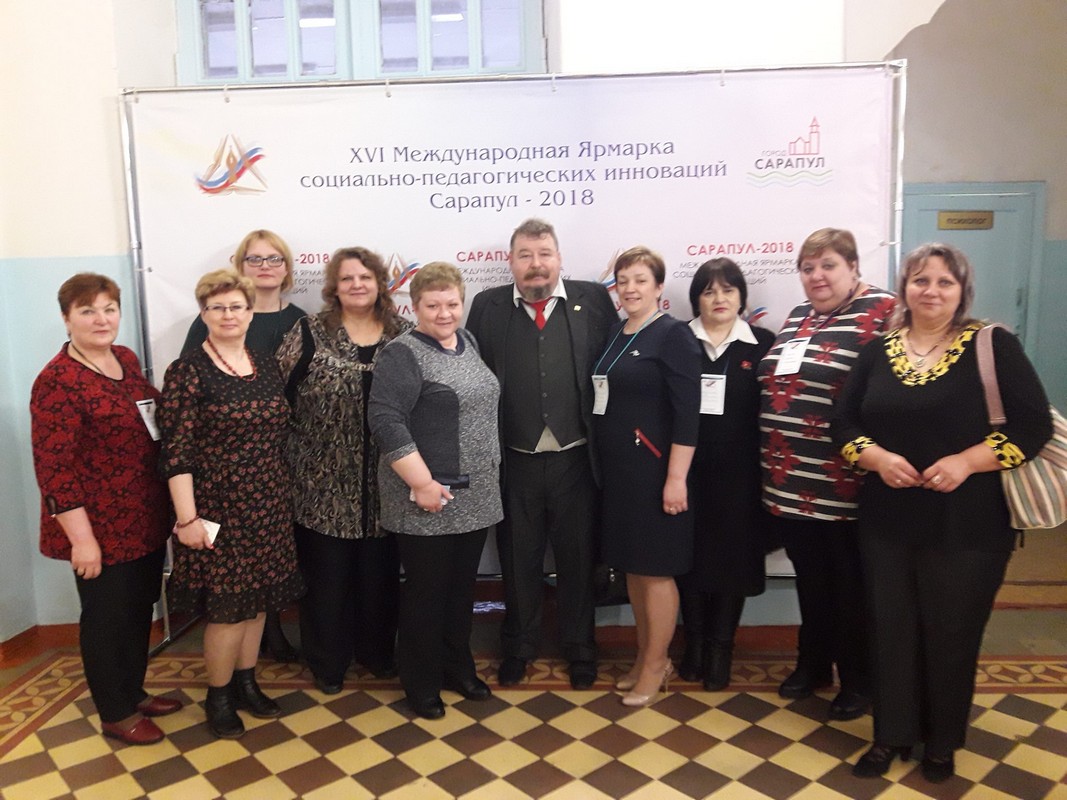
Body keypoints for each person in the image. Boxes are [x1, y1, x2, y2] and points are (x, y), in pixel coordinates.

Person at [832, 243, 1052, 782]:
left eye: (944, 282)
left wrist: (967, 462)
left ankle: (941, 741)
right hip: (887, 519)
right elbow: (843, 426)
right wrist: (876, 458)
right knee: (890, 629)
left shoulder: (992, 345)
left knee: (951, 632)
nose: (931, 291)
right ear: (904, 287)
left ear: (962, 291)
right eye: (920, 280)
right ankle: (890, 735)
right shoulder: (877, 352)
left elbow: (1033, 428)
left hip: (969, 524)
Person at [466, 218, 617, 690]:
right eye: (526, 255)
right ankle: (519, 646)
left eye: (544, 253)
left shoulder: (593, 300)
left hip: (577, 460)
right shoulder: (487, 306)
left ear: (559, 258)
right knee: (518, 561)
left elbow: (614, 369)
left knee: (578, 560)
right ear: (510, 261)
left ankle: (580, 649)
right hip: (514, 461)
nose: (536, 264)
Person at [30, 273, 180, 746]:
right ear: (66, 319)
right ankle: (115, 711)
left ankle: (133, 692)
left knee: (138, 611)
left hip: (143, 517)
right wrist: (82, 540)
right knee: (106, 619)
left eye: (109, 309)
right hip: (98, 528)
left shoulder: (125, 359)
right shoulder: (57, 382)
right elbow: (54, 470)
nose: (101, 319)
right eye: (87, 311)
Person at [757, 227, 895, 721]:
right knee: (811, 581)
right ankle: (812, 664)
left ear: (854, 267)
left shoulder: (885, 312)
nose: (817, 276)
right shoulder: (801, 315)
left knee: (850, 588)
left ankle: (858, 679)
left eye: (828, 266)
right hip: (791, 482)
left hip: (845, 485)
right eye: (808, 268)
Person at [159, 269, 304, 739]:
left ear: (249, 312)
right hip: (217, 510)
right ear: (203, 313)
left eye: (236, 307)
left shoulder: (264, 363)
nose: (228, 315)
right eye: (217, 307)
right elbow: (176, 452)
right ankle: (218, 696)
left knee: (257, 603)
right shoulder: (187, 371)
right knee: (226, 610)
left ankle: (246, 682)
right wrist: (187, 519)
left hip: (268, 504)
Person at [369, 262, 503, 720]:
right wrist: (422, 482)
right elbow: (385, 420)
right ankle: (421, 682)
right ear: (414, 306)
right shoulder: (401, 353)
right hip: (426, 497)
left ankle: (456, 667)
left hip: (475, 493)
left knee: (461, 591)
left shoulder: (468, 341)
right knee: (426, 595)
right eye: (433, 305)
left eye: (452, 304)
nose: (444, 313)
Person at [276, 247, 411, 694]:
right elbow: (278, 399)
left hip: (388, 485)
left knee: (379, 580)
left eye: (365, 277)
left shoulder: (404, 335)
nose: (357, 285)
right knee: (326, 582)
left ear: (380, 284)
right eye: (348, 278)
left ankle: (377, 654)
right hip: (320, 485)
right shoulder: (308, 332)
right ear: (334, 286)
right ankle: (327, 663)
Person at [182, 229, 306, 663]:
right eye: (255, 259)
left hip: (276, 470)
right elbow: (187, 418)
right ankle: (231, 678)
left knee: (270, 568)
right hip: (223, 482)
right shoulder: (204, 338)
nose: (265, 266)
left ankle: (259, 655)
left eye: (274, 259)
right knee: (232, 588)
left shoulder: (300, 324)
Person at [592, 246, 701, 707]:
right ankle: (644, 656)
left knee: (655, 572)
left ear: (659, 286)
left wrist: (676, 478)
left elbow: (688, 414)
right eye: (623, 281)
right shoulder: (617, 332)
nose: (630, 289)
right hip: (621, 475)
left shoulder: (672, 335)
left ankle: (658, 665)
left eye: (640, 280)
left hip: (656, 474)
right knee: (634, 570)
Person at [678, 258, 775, 690]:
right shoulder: (678, 340)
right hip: (686, 473)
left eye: (728, 290)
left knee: (732, 563)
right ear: (696, 299)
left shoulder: (763, 344)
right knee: (689, 560)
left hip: (742, 477)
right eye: (709, 290)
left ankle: (721, 649)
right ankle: (695, 644)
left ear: (741, 297)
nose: (719, 298)